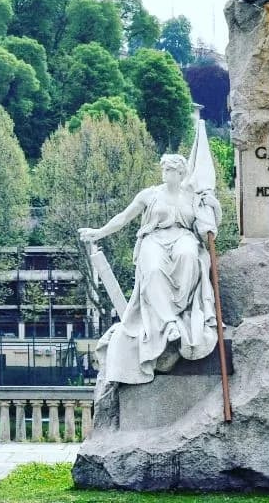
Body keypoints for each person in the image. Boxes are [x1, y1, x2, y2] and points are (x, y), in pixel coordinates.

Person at [78, 154, 220, 397]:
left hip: (183, 238)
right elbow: (123, 218)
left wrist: (213, 206)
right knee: (153, 270)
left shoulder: (192, 197)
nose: (166, 173)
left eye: (170, 170)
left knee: (189, 256)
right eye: (164, 169)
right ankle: (169, 322)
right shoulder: (149, 194)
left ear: (180, 173)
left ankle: (178, 312)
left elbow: (205, 227)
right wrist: (98, 233)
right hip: (154, 239)